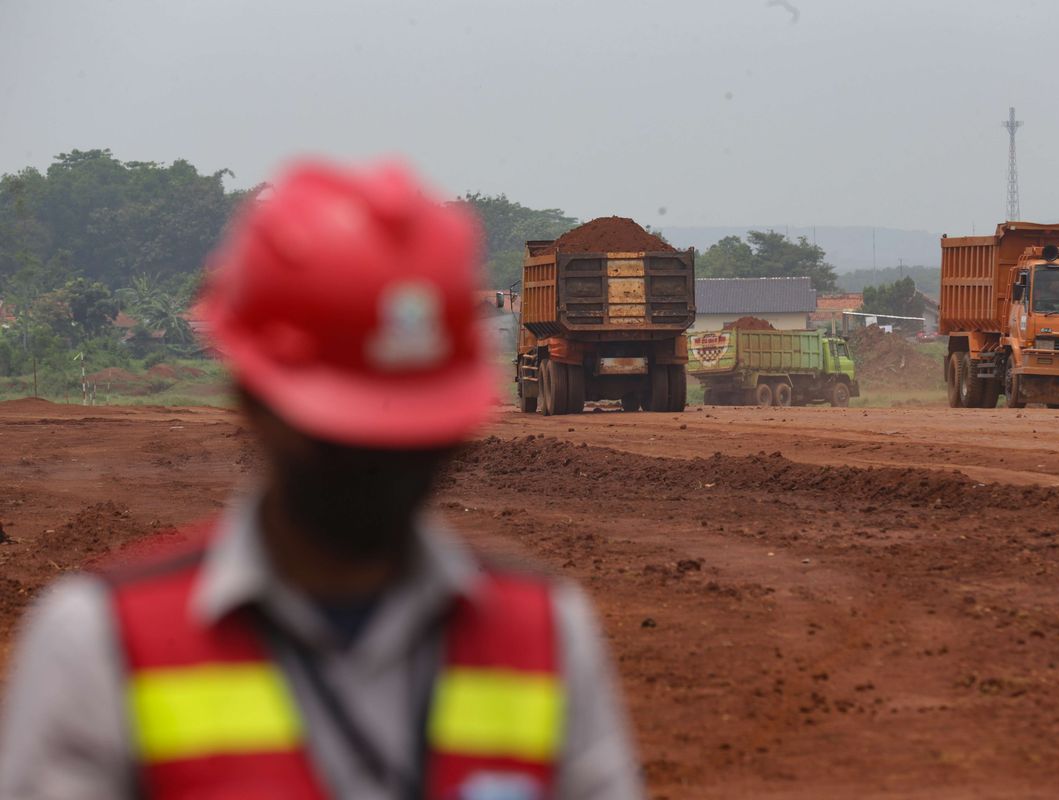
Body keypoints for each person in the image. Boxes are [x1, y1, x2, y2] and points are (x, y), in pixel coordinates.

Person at [0, 162, 643, 800]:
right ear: (250, 402)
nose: (375, 462)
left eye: (408, 433)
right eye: (342, 432)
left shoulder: (549, 641)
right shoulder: (100, 647)